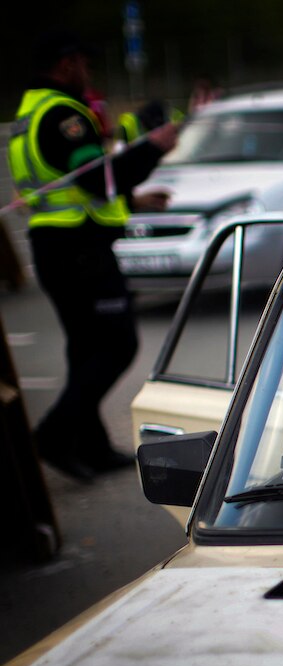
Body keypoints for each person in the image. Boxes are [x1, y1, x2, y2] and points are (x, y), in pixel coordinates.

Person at [7, 31, 177, 480]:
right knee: (118, 345)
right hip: (80, 252)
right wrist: (153, 149)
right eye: (85, 64)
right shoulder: (64, 114)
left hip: (57, 246)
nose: (88, 73)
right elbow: (97, 182)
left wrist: (135, 201)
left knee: (86, 350)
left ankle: (91, 445)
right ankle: (53, 435)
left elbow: (69, 187)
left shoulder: (29, 112)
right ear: (66, 64)